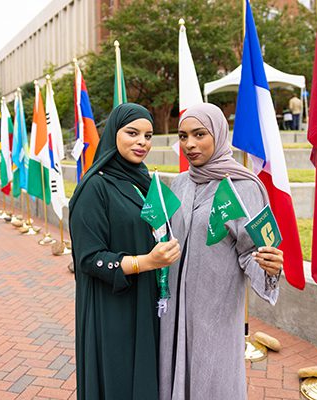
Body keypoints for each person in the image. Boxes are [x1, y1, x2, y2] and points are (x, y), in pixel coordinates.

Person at [159, 103, 283, 400]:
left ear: (218, 133)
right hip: (175, 306)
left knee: (212, 377)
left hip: (215, 308)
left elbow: (251, 251)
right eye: (183, 136)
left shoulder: (242, 185)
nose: (190, 144)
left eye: (199, 134)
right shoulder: (179, 183)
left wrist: (270, 268)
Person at [69, 103, 181, 400]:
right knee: (118, 380)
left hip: (145, 299)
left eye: (148, 135)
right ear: (113, 135)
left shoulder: (144, 181)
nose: (142, 142)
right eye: (132, 133)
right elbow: (89, 259)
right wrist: (146, 261)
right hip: (112, 307)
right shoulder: (94, 187)